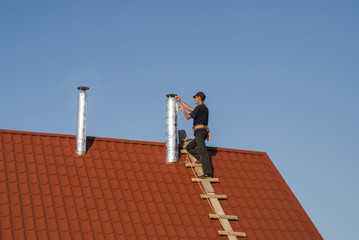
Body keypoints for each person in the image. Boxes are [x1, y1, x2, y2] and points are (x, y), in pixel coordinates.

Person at [176, 92, 213, 179]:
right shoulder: (202, 108)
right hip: (201, 133)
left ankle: (208, 173)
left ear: (199, 97)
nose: (194, 99)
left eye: (195, 98)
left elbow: (188, 116)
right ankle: (199, 157)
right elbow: (191, 109)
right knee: (189, 147)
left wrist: (183, 111)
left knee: (203, 152)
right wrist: (180, 101)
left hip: (200, 133)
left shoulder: (200, 107)